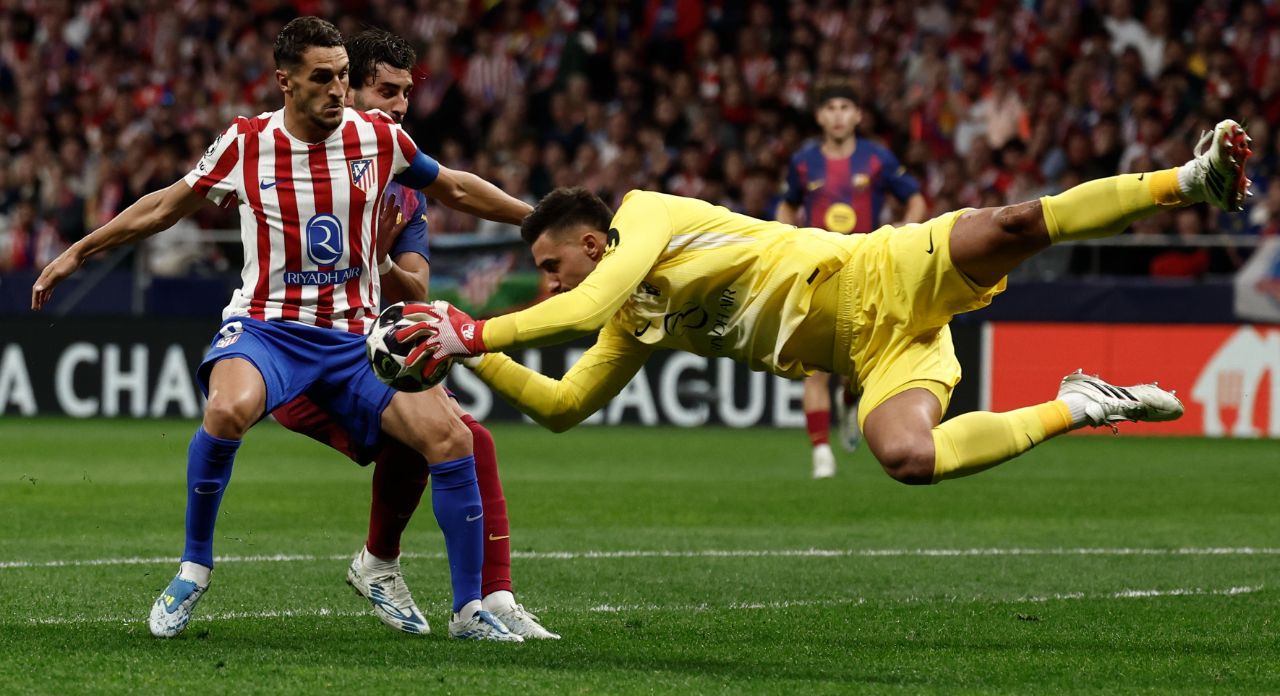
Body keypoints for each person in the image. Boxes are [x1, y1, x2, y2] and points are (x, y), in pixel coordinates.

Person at [401, 119, 1252, 487]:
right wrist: (478, 357)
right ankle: (1079, 405)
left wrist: (469, 330)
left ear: (593, 243)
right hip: (871, 356)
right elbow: (563, 406)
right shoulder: (633, 319)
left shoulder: (645, 214)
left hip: (879, 270)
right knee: (908, 460)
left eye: (553, 266)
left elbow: (580, 311)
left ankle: (1188, 180)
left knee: (1016, 223)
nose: (549, 284)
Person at [31, 17, 530, 641]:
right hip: (270, 327)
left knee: (454, 438)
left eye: (345, 77)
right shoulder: (245, 143)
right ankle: (193, 568)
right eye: (323, 78)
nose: (338, 91)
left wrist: (535, 220)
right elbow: (165, 205)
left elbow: (455, 187)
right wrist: (79, 251)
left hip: (356, 339)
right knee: (227, 410)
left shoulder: (377, 137)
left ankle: (469, 613)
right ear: (285, 82)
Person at [270, 28, 557, 640]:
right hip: (299, 354)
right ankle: (414, 575)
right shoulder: (297, 156)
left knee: (457, 440)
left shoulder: (401, 181)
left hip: (363, 352)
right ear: (347, 87)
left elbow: (417, 288)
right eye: (385, 89)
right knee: (453, 438)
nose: (399, 105)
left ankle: (483, 594)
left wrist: (379, 259)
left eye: (405, 93)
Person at [776, 82, 927, 479]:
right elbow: (787, 204)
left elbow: (915, 200)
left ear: (858, 115)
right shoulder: (804, 162)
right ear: (820, 116)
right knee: (815, 367)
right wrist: (781, 237)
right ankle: (821, 454)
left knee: (857, 371)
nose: (839, 114)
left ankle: (849, 399)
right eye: (831, 107)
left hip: (868, 270)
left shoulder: (877, 158)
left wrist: (901, 233)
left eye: (846, 107)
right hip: (817, 272)